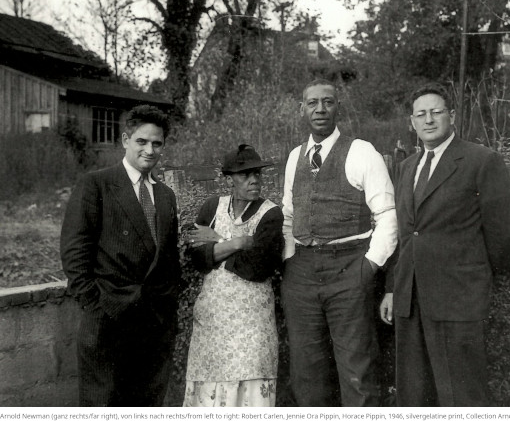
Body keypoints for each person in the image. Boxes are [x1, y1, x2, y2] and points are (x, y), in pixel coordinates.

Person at [380, 83, 510, 407]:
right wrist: (393, 288)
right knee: (414, 397)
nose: (429, 120)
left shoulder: (481, 161)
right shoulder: (406, 168)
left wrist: (475, 281)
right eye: (421, 114)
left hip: (458, 301)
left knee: (462, 397)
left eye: (436, 112)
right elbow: (406, 236)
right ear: (411, 122)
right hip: (411, 301)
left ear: (452, 116)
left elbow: (504, 232)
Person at [281, 79, 398, 406]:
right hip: (301, 273)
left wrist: (368, 266)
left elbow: (388, 214)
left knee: (356, 368)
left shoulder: (362, 152)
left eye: (328, 102)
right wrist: (291, 259)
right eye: (313, 102)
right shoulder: (294, 157)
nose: (320, 109)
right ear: (301, 108)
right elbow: (289, 215)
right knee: (306, 370)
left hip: (349, 268)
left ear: (338, 107)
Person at [60, 105, 180, 406]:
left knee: (146, 405)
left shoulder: (165, 195)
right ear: (126, 140)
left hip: (154, 326)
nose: (149, 150)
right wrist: (97, 306)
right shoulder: (97, 184)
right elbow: (74, 253)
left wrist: (167, 308)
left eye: (157, 143)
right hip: (108, 321)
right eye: (142, 141)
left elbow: (168, 259)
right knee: (104, 405)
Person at [183, 144, 284, 407]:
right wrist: (237, 243)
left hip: (252, 326)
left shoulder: (271, 214)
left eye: (257, 174)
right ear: (229, 179)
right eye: (244, 175)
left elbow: (257, 267)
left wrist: (216, 246)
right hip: (212, 324)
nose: (254, 180)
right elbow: (196, 258)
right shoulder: (211, 208)